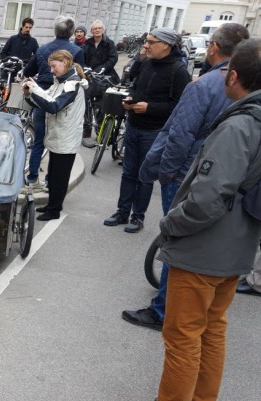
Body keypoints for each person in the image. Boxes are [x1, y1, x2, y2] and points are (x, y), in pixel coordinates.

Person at [115, 38, 261, 401]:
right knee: (212, 331)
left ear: (233, 76)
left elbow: (207, 198)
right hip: (237, 245)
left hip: (204, 248)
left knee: (183, 336)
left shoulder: (239, 125)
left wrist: (171, 225)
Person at [120, 23, 250, 330]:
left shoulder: (204, 85)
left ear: (214, 47)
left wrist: (167, 174)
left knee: (176, 243)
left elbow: (180, 135)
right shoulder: (248, 88)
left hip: (189, 175)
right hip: (231, 180)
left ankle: (162, 310)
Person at [102, 28, 191, 233]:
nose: (146, 45)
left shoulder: (179, 71)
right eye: (147, 41)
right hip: (134, 125)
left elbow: (179, 107)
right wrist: (131, 98)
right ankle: (122, 212)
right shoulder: (147, 63)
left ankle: (138, 217)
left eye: (151, 42)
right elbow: (135, 87)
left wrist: (149, 108)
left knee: (145, 176)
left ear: (166, 45)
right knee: (128, 172)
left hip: (155, 132)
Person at [22, 50, 87, 221]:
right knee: (54, 173)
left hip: (66, 137)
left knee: (60, 177)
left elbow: (53, 106)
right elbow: (46, 100)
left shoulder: (72, 84)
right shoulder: (61, 82)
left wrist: (35, 88)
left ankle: (54, 210)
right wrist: (29, 94)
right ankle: (52, 205)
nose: (51, 70)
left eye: (53, 66)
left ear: (64, 62)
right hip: (59, 136)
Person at [22, 15, 84, 189]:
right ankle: (50, 181)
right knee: (56, 145)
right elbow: (80, 75)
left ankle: (32, 178)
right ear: (71, 32)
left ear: (55, 30)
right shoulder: (76, 51)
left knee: (38, 141)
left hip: (41, 96)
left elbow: (28, 71)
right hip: (63, 101)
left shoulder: (43, 48)